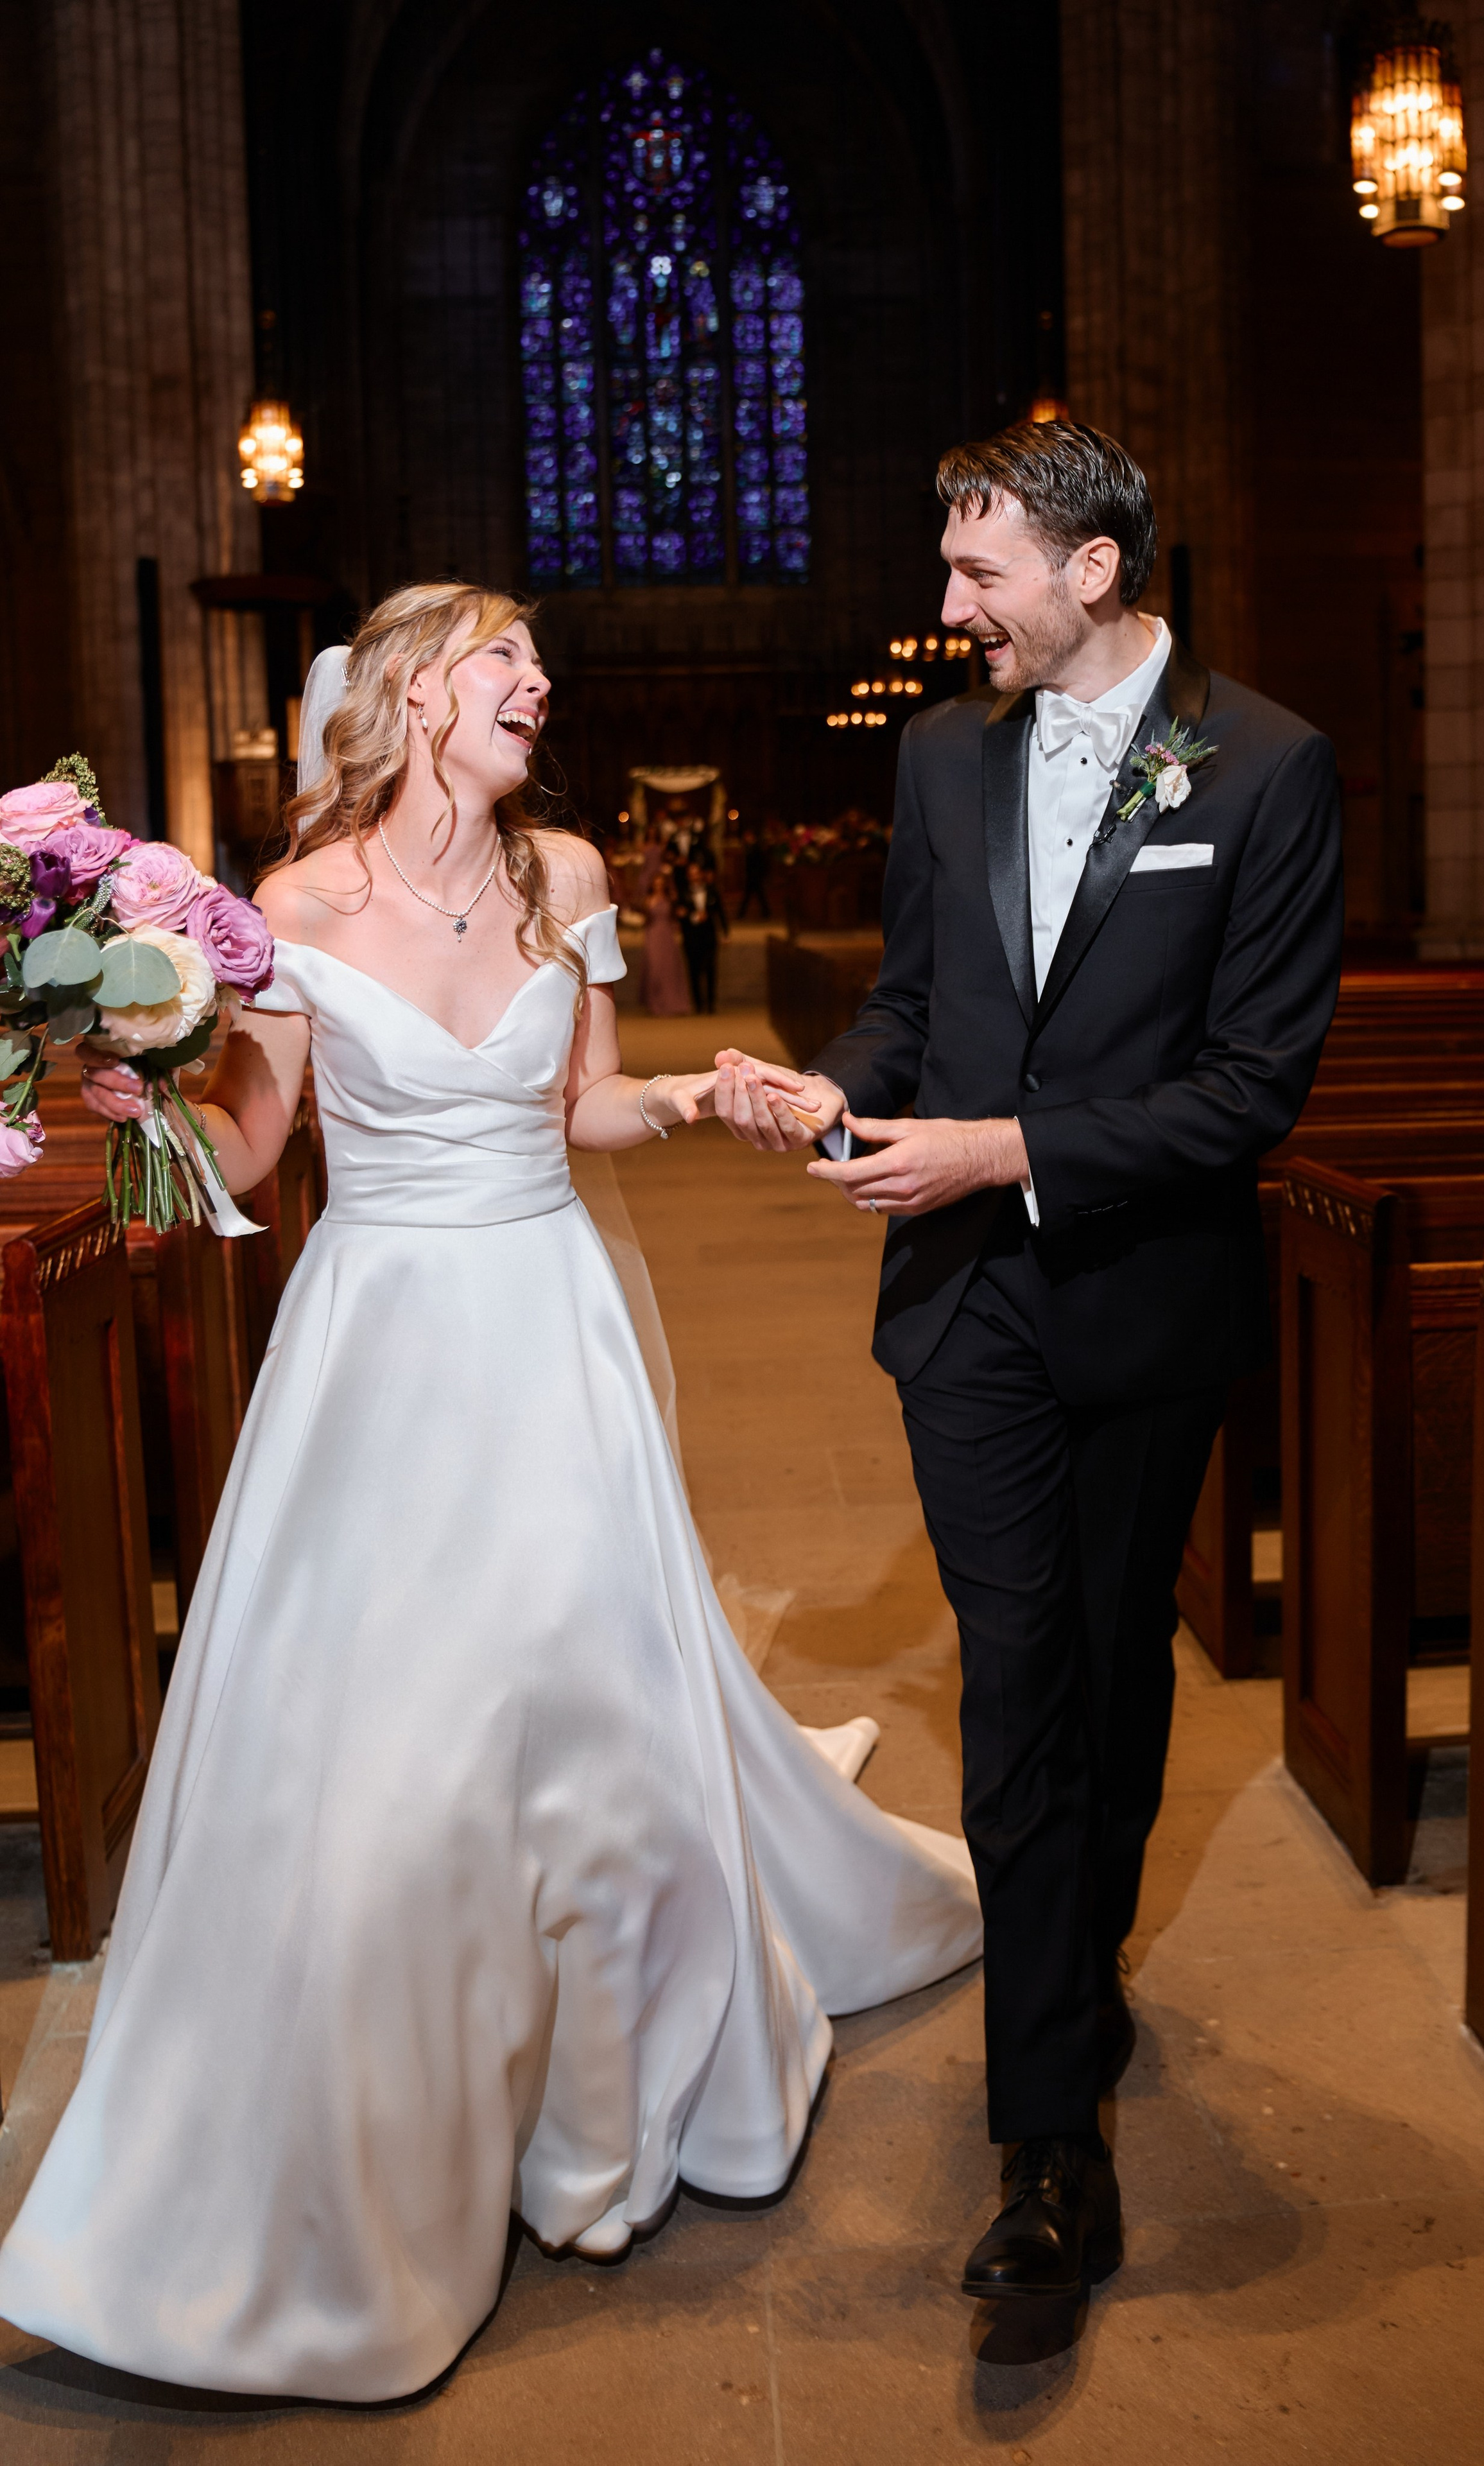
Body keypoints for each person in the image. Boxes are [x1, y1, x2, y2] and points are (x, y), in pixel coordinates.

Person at [0, 583, 980, 2403]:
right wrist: (139, 1096)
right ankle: (386, 2128)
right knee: (401, 1745)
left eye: (537, 658)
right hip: (380, 1344)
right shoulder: (291, 908)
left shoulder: (568, 877)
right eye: (502, 658)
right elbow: (255, 1146)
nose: (539, 680)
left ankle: (607, 2100)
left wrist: (690, 1103)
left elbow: (575, 1106)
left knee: (589, 1712)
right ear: (411, 693)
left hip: (549, 1322)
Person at [714, 421, 1343, 2309]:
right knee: (1014, 1682)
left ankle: (1074, 1956)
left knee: (1111, 1666)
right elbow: (914, 1000)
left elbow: (1248, 1088)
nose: (948, 604)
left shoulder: (1267, 765)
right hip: (965, 1310)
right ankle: (1048, 2143)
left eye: (977, 570)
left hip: (1142, 1301)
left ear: (1092, 569)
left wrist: (999, 1147)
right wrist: (832, 1087)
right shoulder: (940, 755)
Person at [679, 855, 729, 1014]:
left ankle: (711, 1004)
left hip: (709, 936)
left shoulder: (712, 890)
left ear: (701, 874)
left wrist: (726, 933)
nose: (695, 877)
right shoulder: (683, 893)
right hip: (691, 937)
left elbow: (721, 912)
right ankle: (698, 1005)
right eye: (691, 874)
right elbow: (679, 914)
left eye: (697, 873)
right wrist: (694, 916)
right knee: (694, 971)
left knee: (711, 969)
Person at [641, 865, 691, 1015]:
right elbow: (645, 920)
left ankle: (673, 1003)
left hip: (668, 935)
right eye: (656, 884)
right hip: (653, 935)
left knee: (670, 969)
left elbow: (676, 916)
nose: (659, 886)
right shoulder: (648, 900)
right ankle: (656, 1004)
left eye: (661, 884)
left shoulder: (671, 898)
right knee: (655, 969)